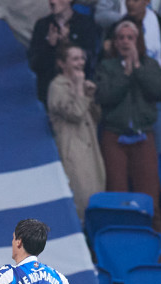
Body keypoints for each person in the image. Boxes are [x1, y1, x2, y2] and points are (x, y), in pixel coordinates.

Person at [96, 20, 161, 227]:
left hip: (143, 134)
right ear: (115, 43)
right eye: (121, 38)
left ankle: (156, 243)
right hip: (114, 135)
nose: (125, 42)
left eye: (130, 37)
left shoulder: (150, 65)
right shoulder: (106, 67)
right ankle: (118, 236)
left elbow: (158, 90)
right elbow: (105, 96)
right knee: (116, 191)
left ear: (138, 41)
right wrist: (126, 76)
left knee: (149, 192)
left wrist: (137, 68)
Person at [46, 43, 106, 220]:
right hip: (72, 150)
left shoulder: (81, 85)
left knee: (95, 196)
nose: (80, 62)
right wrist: (80, 89)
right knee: (80, 198)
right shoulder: (57, 87)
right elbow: (75, 114)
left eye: (82, 58)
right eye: (74, 59)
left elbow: (96, 117)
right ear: (62, 63)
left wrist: (91, 96)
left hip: (91, 149)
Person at [118, 0, 161, 153]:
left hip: (157, 96)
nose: (130, 4)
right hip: (129, 97)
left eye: (135, 0)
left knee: (160, 146)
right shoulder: (119, 27)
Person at [28, 0, 97, 105]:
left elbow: (91, 60)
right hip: (49, 93)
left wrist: (69, 43)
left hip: (77, 91)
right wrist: (50, 46)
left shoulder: (85, 24)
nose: (52, 1)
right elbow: (34, 64)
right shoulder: (42, 25)